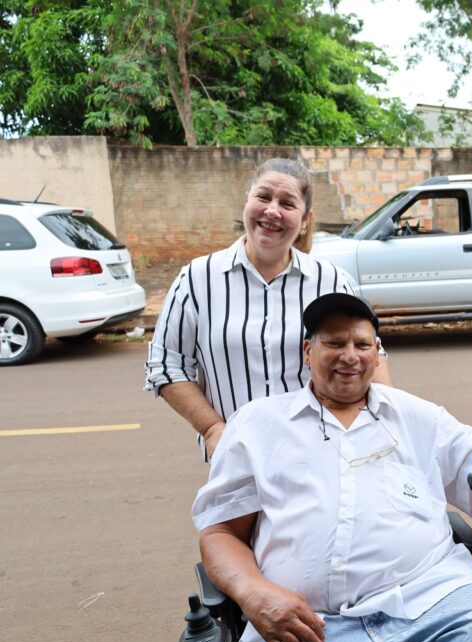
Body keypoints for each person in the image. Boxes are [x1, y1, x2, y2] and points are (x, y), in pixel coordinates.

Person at [194, 292, 472, 642]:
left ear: (377, 353)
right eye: (335, 343)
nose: (350, 356)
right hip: (311, 629)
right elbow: (221, 531)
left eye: (362, 344)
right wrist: (253, 594)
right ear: (308, 352)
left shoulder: (413, 415)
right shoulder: (258, 425)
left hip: (430, 603)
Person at [144, 158, 390, 459]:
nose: (272, 210)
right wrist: (212, 429)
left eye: (287, 203)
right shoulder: (198, 279)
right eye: (263, 197)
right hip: (238, 458)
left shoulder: (331, 281)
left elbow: (372, 357)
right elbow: (166, 364)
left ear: (305, 220)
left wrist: (387, 428)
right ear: (246, 202)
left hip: (320, 455)